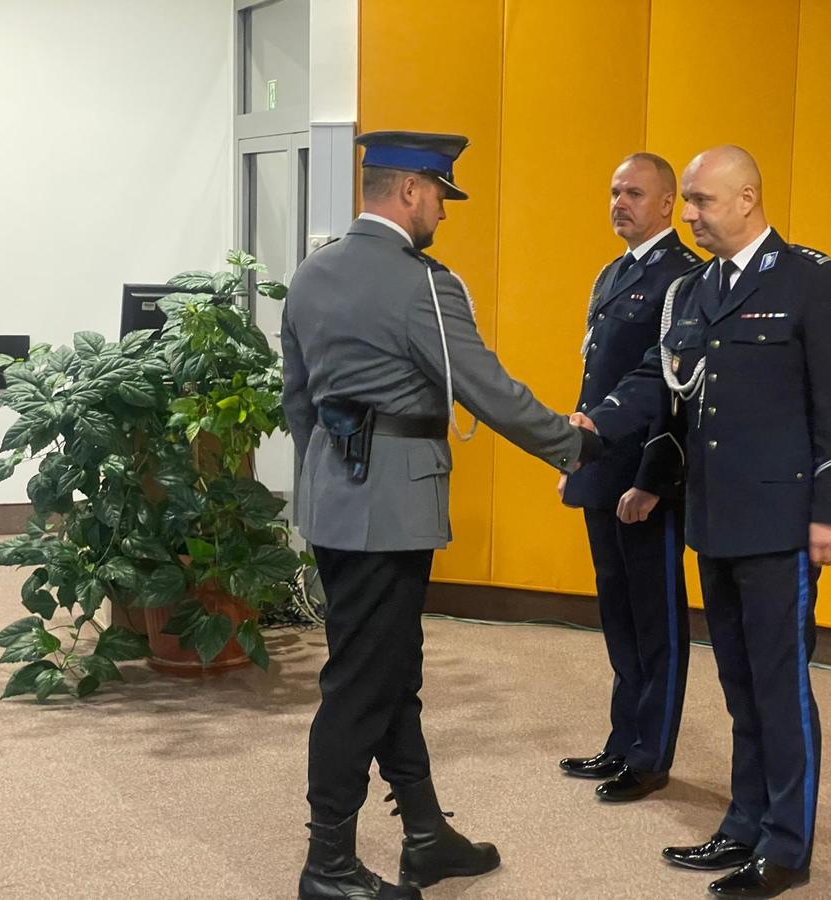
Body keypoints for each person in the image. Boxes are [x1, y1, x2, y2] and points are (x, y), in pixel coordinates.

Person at [281, 130, 601, 900]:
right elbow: (487, 390)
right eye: (440, 197)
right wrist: (573, 444)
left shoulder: (311, 273)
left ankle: (425, 836)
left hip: (333, 499)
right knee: (361, 684)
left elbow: (297, 401)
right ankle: (327, 867)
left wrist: (323, 483)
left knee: (390, 669)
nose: (443, 214)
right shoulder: (423, 285)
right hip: (393, 508)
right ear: (411, 192)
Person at [577, 145, 831, 898]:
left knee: (779, 686)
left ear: (747, 198)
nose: (692, 216)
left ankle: (786, 847)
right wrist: (596, 424)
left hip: (780, 522)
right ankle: (743, 824)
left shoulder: (811, 280)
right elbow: (662, 386)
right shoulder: (696, 289)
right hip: (714, 516)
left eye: (702, 201)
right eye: (689, 202)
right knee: (739, 683)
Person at [557, 153, 697, 802]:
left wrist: (650, 480)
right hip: (602, 469)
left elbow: (672, 395)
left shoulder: (683, 278)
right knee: (617, 611)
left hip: (645, 478)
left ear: (667, 203)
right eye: (615, 192)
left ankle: (649, 755)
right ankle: (622, 739)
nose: (620, 203)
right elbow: (594, 379)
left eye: (634, 193)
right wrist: (576, 461)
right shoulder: (613, 273)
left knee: (654, 618)